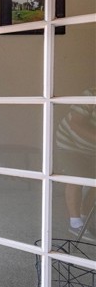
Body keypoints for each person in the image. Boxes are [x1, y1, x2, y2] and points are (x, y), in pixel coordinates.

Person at [55, 87, 96, 242]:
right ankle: (75, 222)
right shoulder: (91, 94)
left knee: (94, 182)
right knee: (77, 177)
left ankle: (85, 218)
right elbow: (76, 124)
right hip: (69, 143)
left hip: (92, 149)